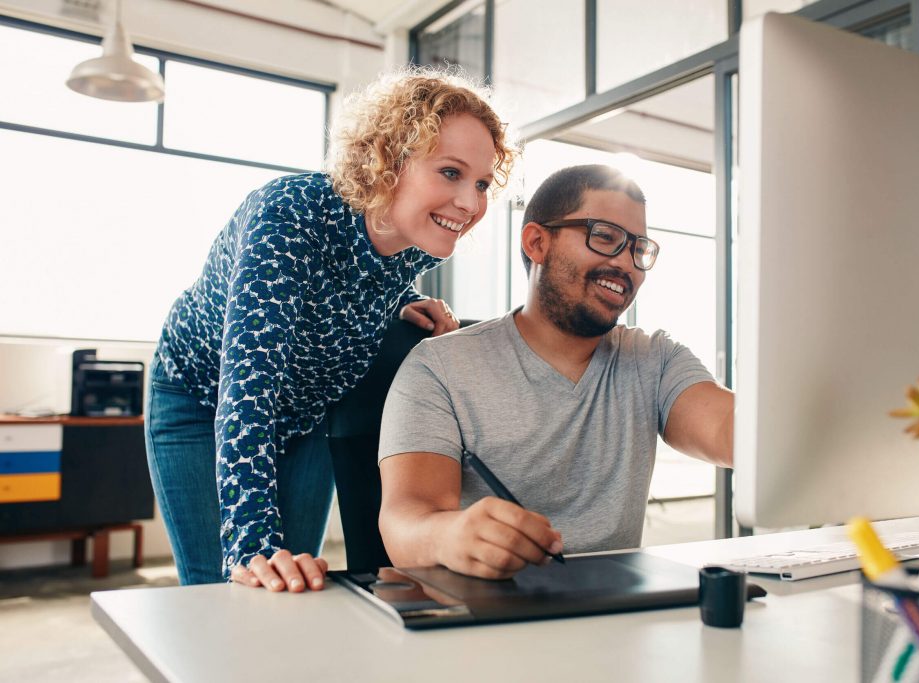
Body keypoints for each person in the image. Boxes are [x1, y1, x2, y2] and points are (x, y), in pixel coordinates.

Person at [145, 68, 516, 590]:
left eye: (480, 183)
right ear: (388, 159)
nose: (471, 203)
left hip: (306, 415)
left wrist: (401, 303)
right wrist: (252, 547)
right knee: (231, 589)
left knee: (297, 588)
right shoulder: (288, 218)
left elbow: (345, 280)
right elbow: (248, 392)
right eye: (451, 173)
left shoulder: (409, 242)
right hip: (204, 403)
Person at [377, 164, 734, 579]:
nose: (627, 265)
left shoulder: (655, 358)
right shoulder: (438, 367)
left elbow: (732, 431)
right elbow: (406, 521)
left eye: (638, 249)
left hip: (614, 619)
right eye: (605, 237)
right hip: (487, 618)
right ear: (536, 242)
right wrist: (450, 534)